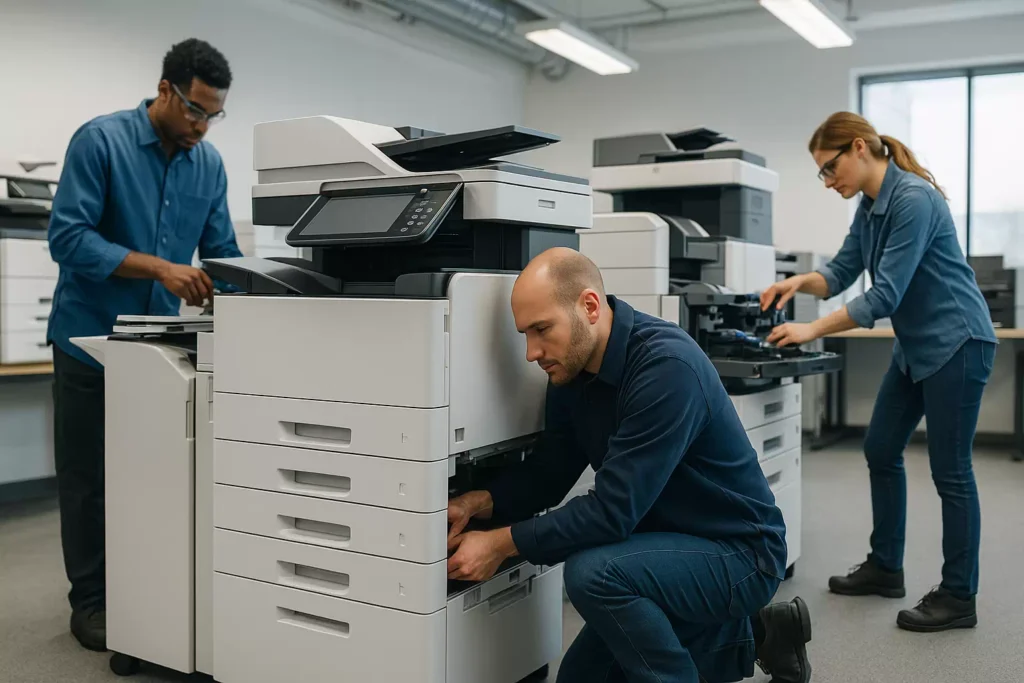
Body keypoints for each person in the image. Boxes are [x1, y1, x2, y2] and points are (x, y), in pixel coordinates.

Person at [446, 248, 812, 683]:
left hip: (740, 551)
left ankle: (729, 631)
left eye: (542, 329)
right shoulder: (570, 372)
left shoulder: (664, 367)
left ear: (589, 306)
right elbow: (549, 474)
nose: (532, 352)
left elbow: (612, 512)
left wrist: (500, 544)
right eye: (525, 333)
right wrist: (476, 503)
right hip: (664, 543)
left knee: (593, 574)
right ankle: (764, 633)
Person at [761, 111, 996, 632]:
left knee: (951, 472)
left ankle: (960, 595)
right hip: (917, 348)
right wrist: (797, 282)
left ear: (861, 148)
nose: (827, 181)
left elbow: (885, 294)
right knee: (881, 447)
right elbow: (843, 271)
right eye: (821, 173)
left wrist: (811, 330)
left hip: (959, 341)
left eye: (829, 168)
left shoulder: (913, 199)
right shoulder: (869, 206)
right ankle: (886, 566)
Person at [47, 38, 242, 652]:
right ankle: (92, 603)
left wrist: (261, 287)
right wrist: (161, 268)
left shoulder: (207, 166)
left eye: (214, 115)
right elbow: (68, 239)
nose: (203, 127)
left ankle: (147, 591)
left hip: (161, 352)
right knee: (89, 482)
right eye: (195, 110)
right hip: (88, 341)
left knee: (155, 477)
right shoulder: (99, 142)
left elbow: (221, 252)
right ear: (166, 91)